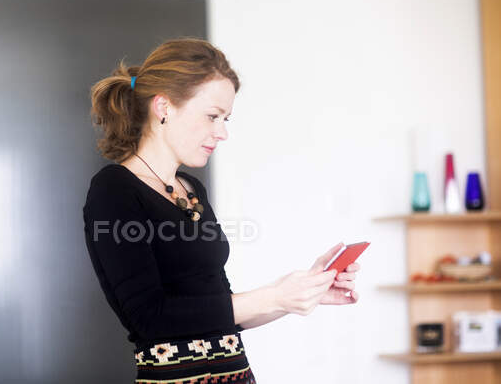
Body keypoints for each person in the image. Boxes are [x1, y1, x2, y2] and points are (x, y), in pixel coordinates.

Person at [82, 37, 360, 383]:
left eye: (226, 118)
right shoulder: (114, 190)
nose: (222, 132)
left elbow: (222, 309)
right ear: (164, 107)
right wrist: (274, 295)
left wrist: (298, 294)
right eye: (213, 116)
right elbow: (150, 318)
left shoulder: (191, 189)